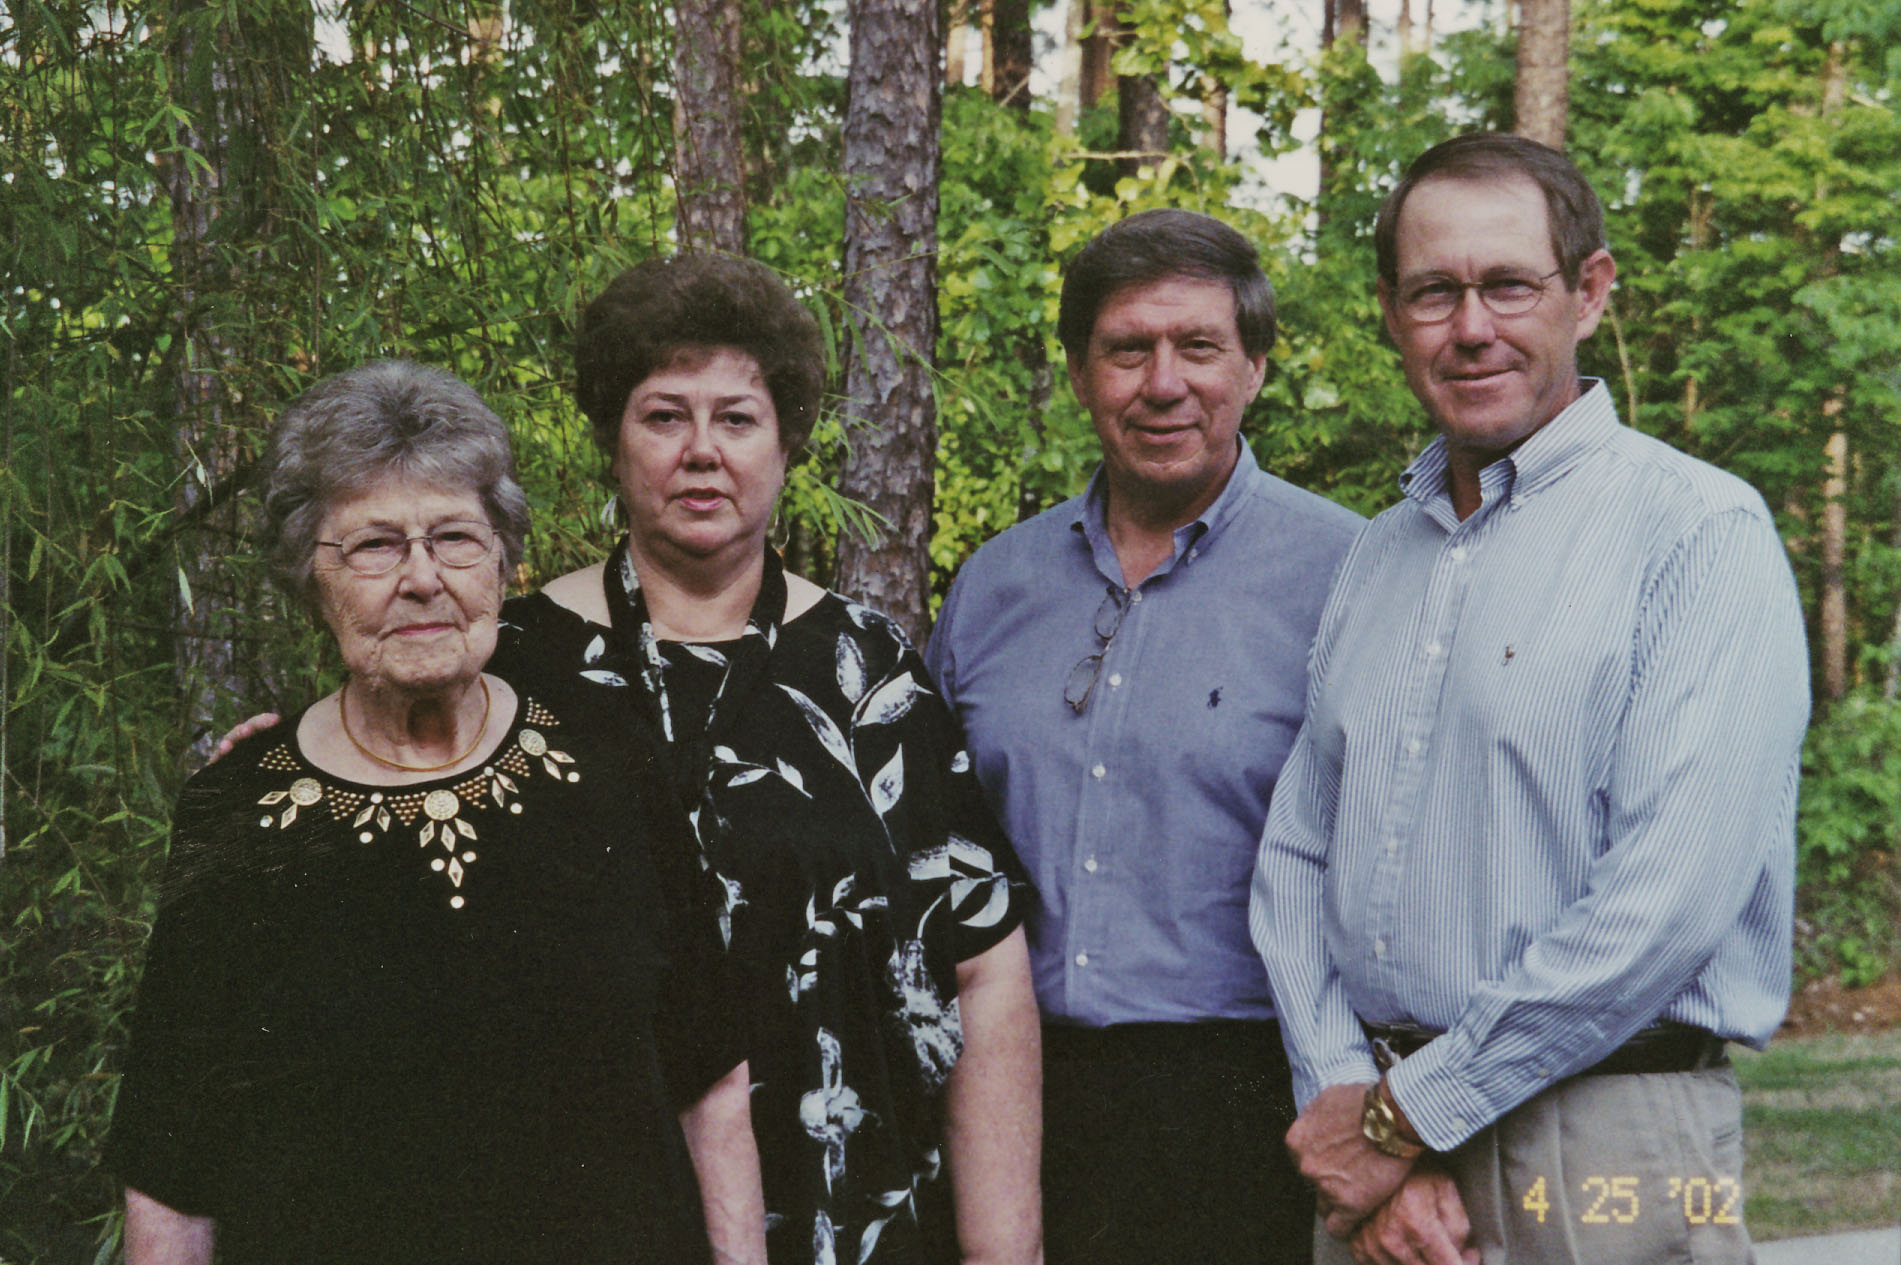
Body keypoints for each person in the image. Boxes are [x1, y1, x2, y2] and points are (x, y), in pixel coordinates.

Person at [1249, 132, 1810, 1265]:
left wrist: (1402, 1116)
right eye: (1432, 292)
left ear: (1587, 292)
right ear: (1389, 312)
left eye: (1508, 284)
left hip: (1609, 1141)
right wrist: (1353, 1101)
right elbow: (1296, 856)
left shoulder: (1697, 532)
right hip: (1384, 1156)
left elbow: (1664, 903)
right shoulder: (1377, 555)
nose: (1470, 327)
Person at [108, 361, 765, 1265]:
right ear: (309, 575)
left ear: (501, 559)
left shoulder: (609, 756)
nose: (422, 578)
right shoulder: (239, 809)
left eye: (454, 537)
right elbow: (170, 1167)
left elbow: (710, 1080)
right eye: (374, 546)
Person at [484, 254, 1043, 1265]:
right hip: (585, 1209)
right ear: (613, 438)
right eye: (664, 415)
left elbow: (983, 961)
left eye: (736, 418)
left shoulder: (868, 671)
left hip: (844, 1201)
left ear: (786, 444)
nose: (701, 450)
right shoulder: (513, 665)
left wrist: (1003, 1250)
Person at [925, 209, 1364, 1265]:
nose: (1163, 383)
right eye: (1127, 349)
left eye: (1198, 346)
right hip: (1011, 1093)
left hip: (1247, 1100)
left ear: (1254, 368)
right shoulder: (994, 587)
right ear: (1080, 375)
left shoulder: (1351, 577)